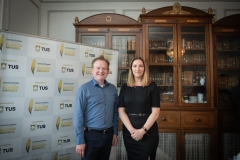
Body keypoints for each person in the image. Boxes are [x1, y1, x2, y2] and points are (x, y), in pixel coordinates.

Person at [74, 55, 118, 160]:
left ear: (108, 71)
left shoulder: (112, 89)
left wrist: (115, 133)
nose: (101, 71)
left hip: (108, 136)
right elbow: (78, 116)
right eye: (98, 68)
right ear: (92, 70)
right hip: (90, 138)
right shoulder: (84, 89)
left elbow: (115, 113)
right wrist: (80, 141)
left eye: (104, 68)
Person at [118, 57, 160, 160]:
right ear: (131, 69)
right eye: (135, 66)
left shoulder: (152, 86)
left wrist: (143, 131)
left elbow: (156, 112)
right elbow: (121, 111)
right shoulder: (125, 87)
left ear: (144, 68)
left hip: (148, 131)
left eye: (141, 66)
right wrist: (132, 130)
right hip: (129, 132)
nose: (138, 69)